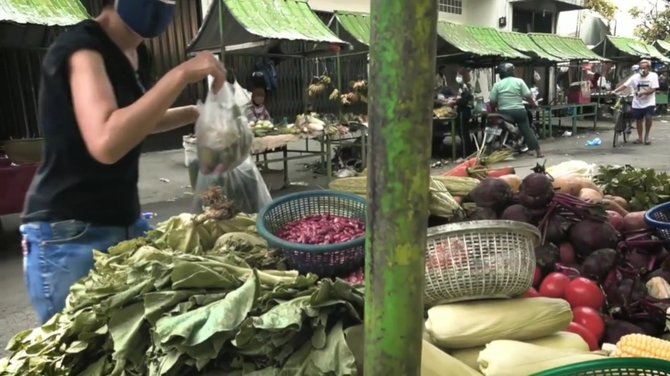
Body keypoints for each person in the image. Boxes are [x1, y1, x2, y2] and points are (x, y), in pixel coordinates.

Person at [20, 0, 226, 324]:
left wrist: (199, 113)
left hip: (122, 221)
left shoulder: (137, 54)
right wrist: (181, 74)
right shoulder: (82, 49)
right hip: (70, 233)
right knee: (82, 355)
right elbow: (107, 141)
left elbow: (137, 120)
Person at [489, 62, 543, 158]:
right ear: (512, 72)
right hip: (519, 112)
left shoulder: (497, 85)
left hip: (504, 113)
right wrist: (534, 105)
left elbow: (492, 101)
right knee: (527, 130)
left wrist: (494, 109)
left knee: (501, 126)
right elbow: (528, 97)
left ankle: (504, 145)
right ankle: (539, 152)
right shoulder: (519, 81)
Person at [612, 59, 659, 145]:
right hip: (637, 102)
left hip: (649, 102)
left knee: (648, 117)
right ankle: (640, 138)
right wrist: (614, 91)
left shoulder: (653, 76)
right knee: (638, 119)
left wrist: (643, 92)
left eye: (644, 68)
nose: (643, 70)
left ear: (649, 68)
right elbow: (624, 85)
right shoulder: (635, 77)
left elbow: (653, 89)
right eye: (641, 68)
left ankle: (647, 136)